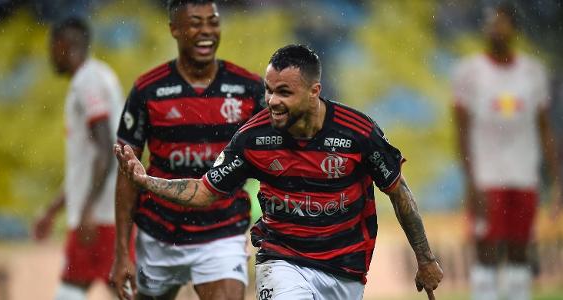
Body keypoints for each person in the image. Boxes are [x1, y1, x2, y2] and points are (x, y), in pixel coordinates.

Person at [114, 44, 443, 300]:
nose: (272, 100)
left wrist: (425, 258)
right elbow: (203, 191)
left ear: (314, 92)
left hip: (345, 268)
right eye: (269, 90)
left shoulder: (358, 133)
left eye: (284, 92)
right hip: (282, 259)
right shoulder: (252, 137)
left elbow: (399, 192)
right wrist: (147, 181)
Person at [109, 1, 265, 299]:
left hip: (221, 233)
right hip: (159, 236)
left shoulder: (248, 88)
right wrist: (121, 253)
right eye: (195, 22)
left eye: (213, 22)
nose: (206, 31)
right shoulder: (147, 90)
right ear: (175, 29)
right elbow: (127, 174)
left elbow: (275, 157)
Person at [452, 4, 562, 300]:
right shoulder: (469, 73)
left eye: (501, 23)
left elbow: (545, 129)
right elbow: (460, 131)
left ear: (514, 28)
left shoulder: (533, 73)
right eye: (490, 24)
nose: (495, 29)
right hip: (487, 178)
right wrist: (470, 180)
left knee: (519, 252)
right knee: (486, 254)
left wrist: (557, 180)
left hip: (523, 175)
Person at [32, 17, 124, 300]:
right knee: (122, 290)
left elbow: (105, 150)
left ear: (63, 45)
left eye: (51, 47)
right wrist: (53, 209)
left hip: (98, 216)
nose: (50, 55)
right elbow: (87, 164)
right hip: (109, 211)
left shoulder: (87, 82)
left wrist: (86, 209)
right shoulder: (102, 75)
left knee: (70, 291)